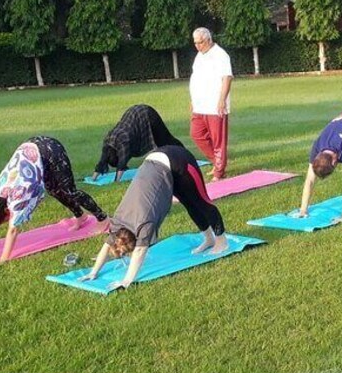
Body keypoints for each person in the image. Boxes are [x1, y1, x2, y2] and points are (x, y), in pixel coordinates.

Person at [81, 145, 227, 290]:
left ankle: (221, 241)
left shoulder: (144, 224)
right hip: (158, 165)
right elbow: (107, 246)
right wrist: (93, 272)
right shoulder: (117, 223)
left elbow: (139, 252)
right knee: (189, 203)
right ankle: (209, 239)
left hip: (178, 159)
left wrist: (125, 281)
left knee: (201, 201)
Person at [0, 136, 108, 263]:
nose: (7, 221)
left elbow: (12, 231)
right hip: (34, 153)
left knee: (69, 190)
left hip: (50, 149)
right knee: (54, 190)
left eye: (4, 219)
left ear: (6, 210)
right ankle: (80, 216)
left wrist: (3, 259)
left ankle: (103, 219)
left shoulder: (18, 197)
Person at [92, 104, 184, 183]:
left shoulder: (124, 141)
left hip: (147, 114)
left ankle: (183, 152)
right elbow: (101, 162)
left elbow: (121, 165)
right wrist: (93, 179)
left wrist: (116, 181)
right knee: (163, 144)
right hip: (135, 114)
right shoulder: (108, 142)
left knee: (164, 141)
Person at [189, 27, 233, 181]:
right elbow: (196, 79)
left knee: (218, 140)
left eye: (200, 42)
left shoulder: (220, 55)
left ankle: (219, 173)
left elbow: (227, 78)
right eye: (195, 43)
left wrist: (222, 100)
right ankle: (216, 162)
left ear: (208, 40)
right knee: (196, 134)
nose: (197, 46)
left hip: (215, 106)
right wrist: (193, 101)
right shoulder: (199, 56)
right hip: (200, 105)